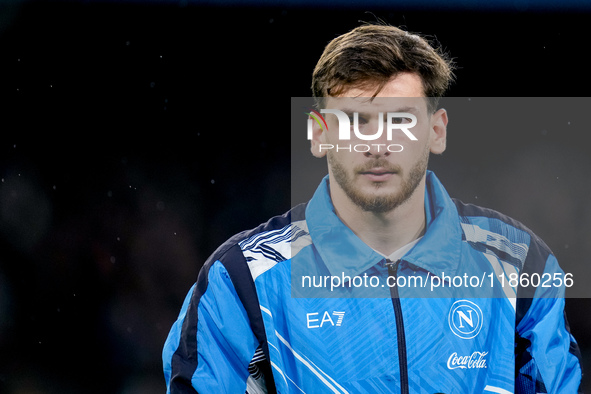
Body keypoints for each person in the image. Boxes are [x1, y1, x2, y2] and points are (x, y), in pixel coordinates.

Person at [162, 23, 583, 393]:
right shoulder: (242, 280)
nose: (378, 144)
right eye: (355, 121)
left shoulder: (521, 263)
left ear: (436, 131)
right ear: (317, 134)